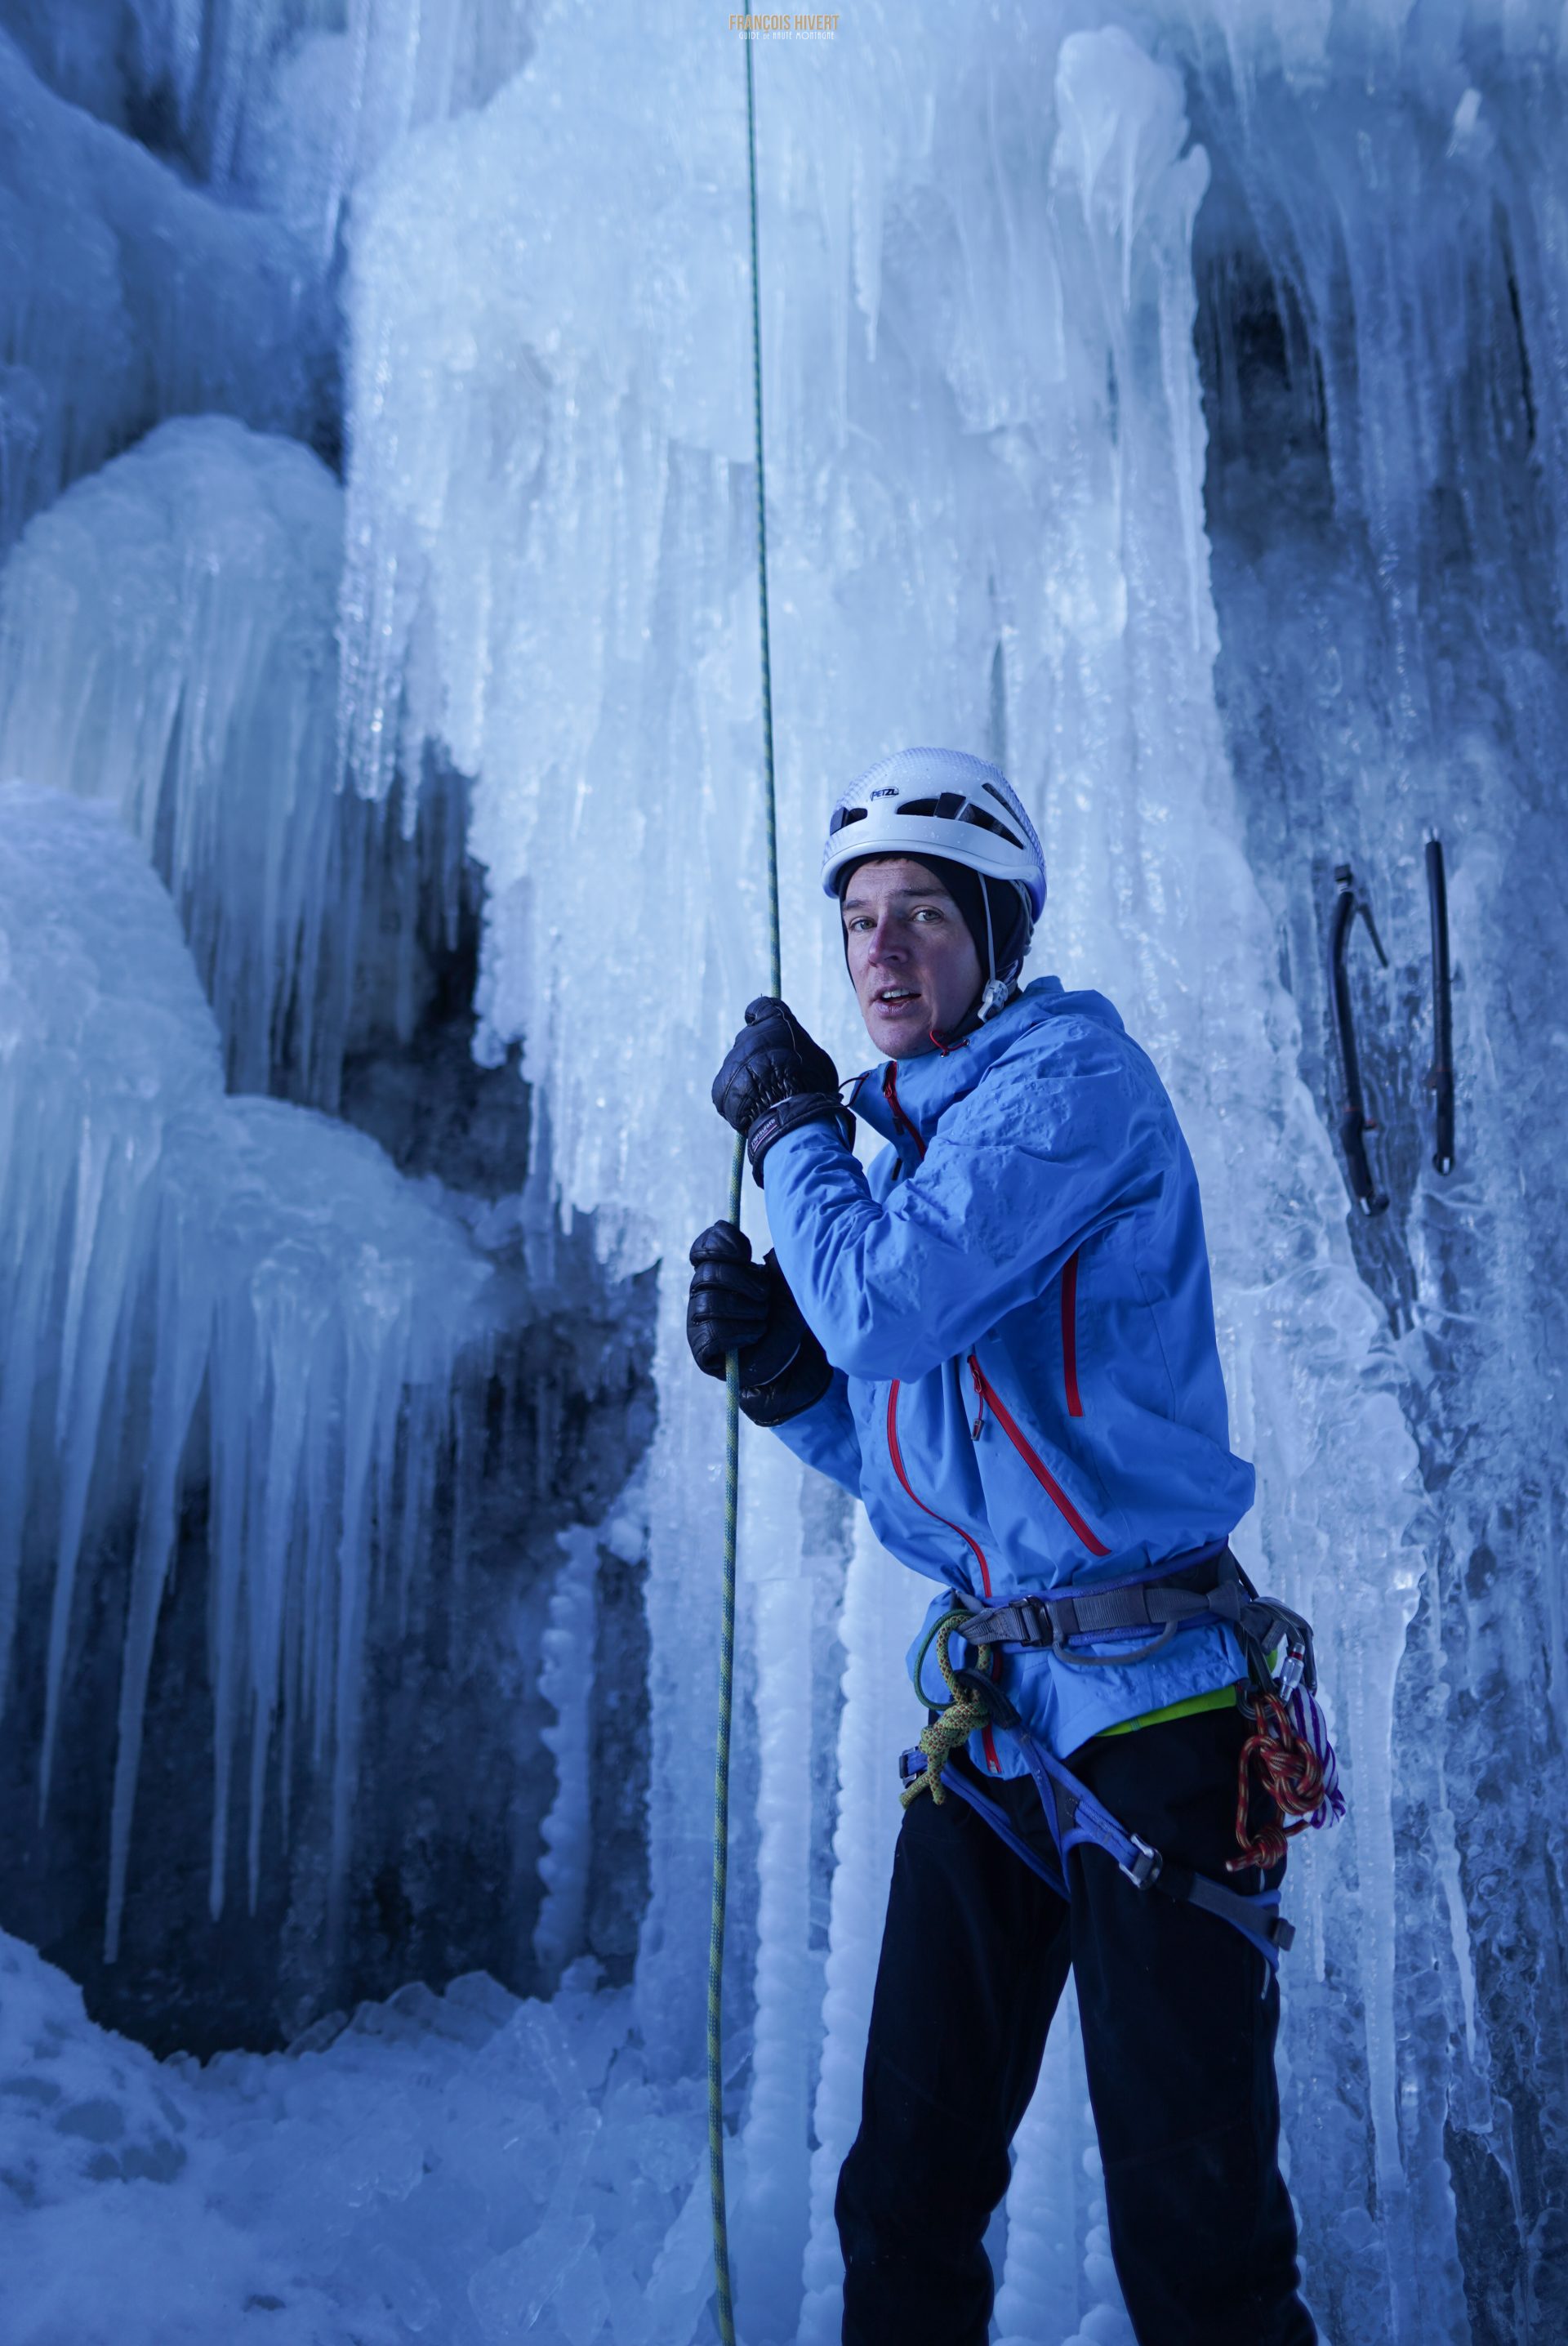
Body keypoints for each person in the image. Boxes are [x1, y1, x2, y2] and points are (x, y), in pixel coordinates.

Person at [685, 746, 1320, 2346]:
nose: (880, 952)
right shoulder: (931, 1152)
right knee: (901, 2192)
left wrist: (792, 1134)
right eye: (857, 923)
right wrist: (789, 1381)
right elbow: (942, 1481)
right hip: (1008, 1723)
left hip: (1166, 1719)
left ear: (997, 933)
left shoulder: (1068, 1092)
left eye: (920, 916)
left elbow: (887, 1299)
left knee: (1199, 2242)